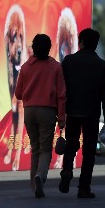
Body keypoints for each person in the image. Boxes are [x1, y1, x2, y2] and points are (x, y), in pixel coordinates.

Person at [59, 28, 105, 199]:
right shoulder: (102, 65)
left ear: (81, 42)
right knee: (89, 151)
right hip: (91, 114)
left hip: (73, 111)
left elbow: (61, 88)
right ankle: (84, 188)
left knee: (71, 145)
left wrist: (59, 111)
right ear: (96, 45)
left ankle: (67, 170)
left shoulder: (68, 61)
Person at [14, 33, 66, 199]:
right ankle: (40, 176)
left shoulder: (25, 67)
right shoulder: (56, 67)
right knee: (45, 149)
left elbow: (18, 93)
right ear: (49, 48)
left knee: (35, 148)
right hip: (47, 111)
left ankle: (33, 184)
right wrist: (62, 118)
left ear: (33, 48)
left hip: (29, 111)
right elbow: (61, 95)